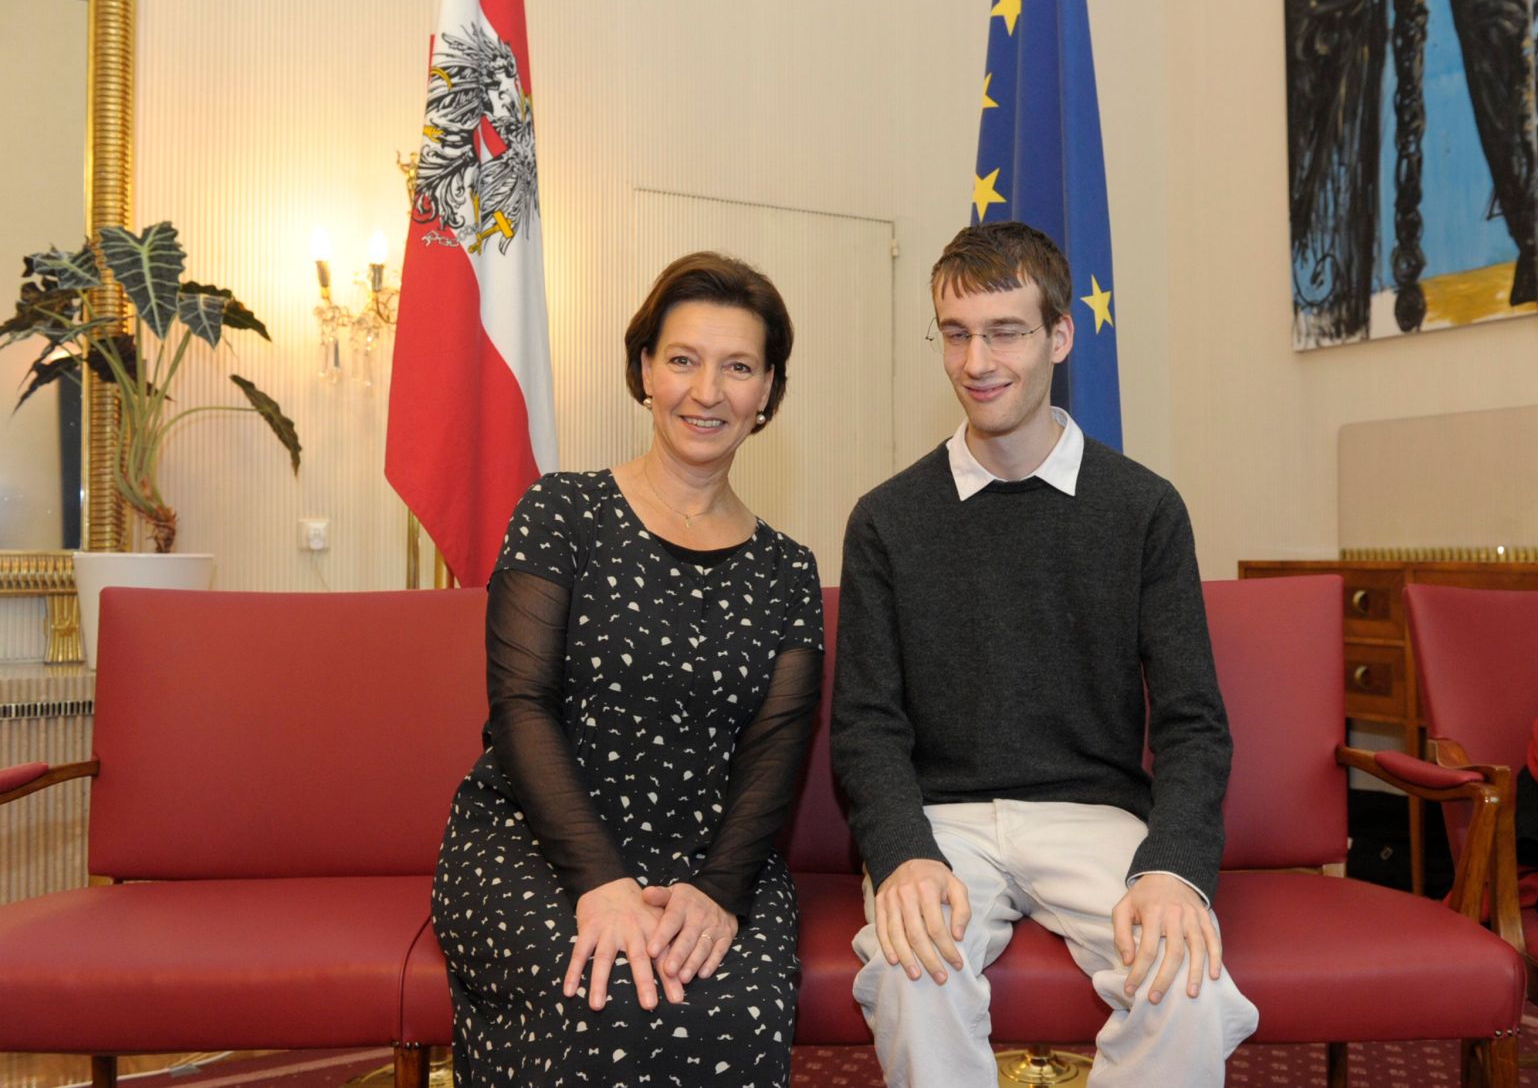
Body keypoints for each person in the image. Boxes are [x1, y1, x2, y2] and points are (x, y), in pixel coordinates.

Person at [831, 221, 1259, 1086]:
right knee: (913, 977)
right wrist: (902, 851)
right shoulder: (886, 519)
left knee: (1188, 990)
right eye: (956, 334)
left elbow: (1193, 723)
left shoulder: (1143, 508)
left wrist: (1175, 869)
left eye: (1005, 332)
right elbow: (866, 726)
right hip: (941, 823)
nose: (976, 362)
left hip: (1094, 818)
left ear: (1060, 336)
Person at [433, 252, 824, 1088]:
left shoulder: (789, 570)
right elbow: (521, 706)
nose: (707, 391)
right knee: (608, 995)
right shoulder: (561, 512)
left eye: (739, 367)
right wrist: (601, 882)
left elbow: (776, 752)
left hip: (715, 860)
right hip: (537, 842)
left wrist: (718, 891)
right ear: (645, 370)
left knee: (726, 1009)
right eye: (683, 359)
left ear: (768, 392)